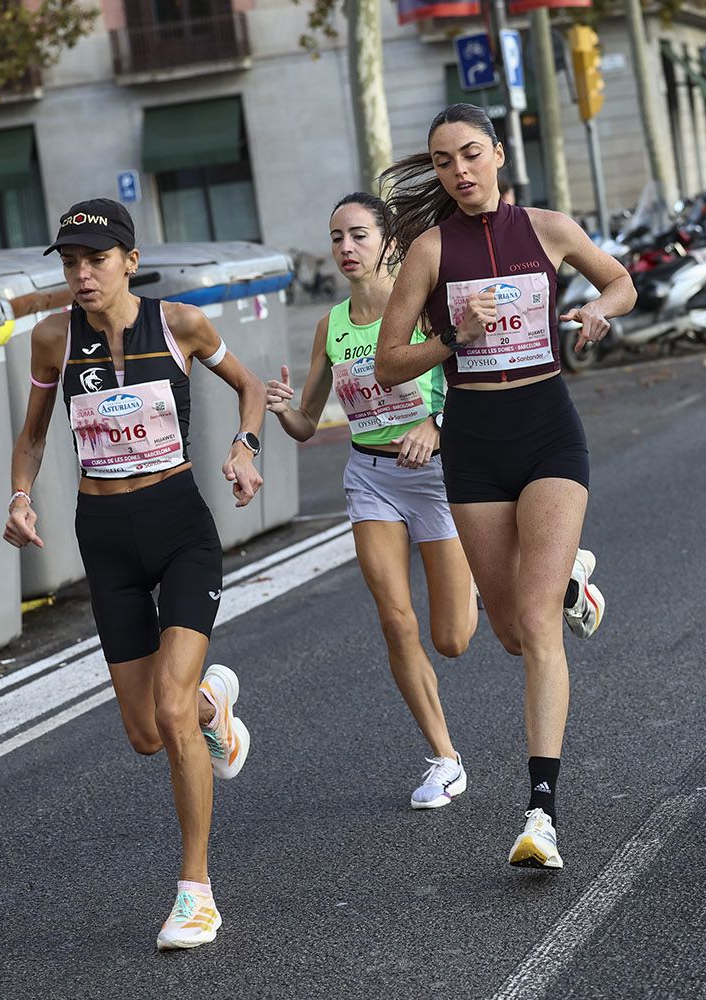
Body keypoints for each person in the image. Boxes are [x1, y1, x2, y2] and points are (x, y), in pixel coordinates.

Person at [373, 103, 635, 869]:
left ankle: (541, 813)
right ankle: (572, 586)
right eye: (444, 160)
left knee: (537, 627)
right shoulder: (428, 249)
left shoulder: (548, 230)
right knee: (511, 632)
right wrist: (454, 337)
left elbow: (620, 284)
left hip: (548, 429)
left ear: (497, 156)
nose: (459, 171)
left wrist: (597, 310)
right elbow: (388, 361)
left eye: (471, 154)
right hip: (477, 445)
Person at [2, 199, 266, 950]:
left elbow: (248, 386)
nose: (80, 275)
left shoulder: (180, 324)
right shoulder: (52, 338)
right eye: (69, 263)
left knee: (171, 708)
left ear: (128, 258)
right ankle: (217, 706)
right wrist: (20, 498)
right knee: (149, 732)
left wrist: (246, 446)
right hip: (105, 539)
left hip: (180, 528)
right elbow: (30, 439)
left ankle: (196, 894)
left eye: (94, 260)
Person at [264, 192, 479, 809]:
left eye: (358, 235)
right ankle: (444, 758)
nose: (345, 249)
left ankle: (491, 577)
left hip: (436, 477)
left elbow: (472, 379)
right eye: (336, 238)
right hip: (371, 478)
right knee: (394, 620)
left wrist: (435, 422)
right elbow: (309, 424)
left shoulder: (423, 309)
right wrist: (285, 412)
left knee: (453, 640)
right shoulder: (331, 325)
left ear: (388, 242)